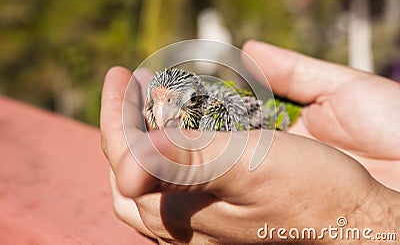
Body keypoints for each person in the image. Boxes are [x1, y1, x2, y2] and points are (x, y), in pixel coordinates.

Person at [100, 40, 400, 243]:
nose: (164, 113)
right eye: (156, 104)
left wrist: (357, 214)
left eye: (186, 101)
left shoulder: (217, 118)